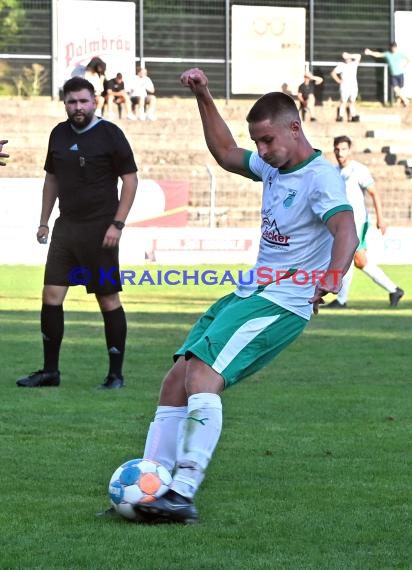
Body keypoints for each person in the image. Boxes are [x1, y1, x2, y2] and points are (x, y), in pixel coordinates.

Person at [125, 68, 358, 524]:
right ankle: (151, 486)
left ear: (295, 127)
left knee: (203, 379)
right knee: (176, 380)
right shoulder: (274, 166)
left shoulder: (321, 178)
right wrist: (203, 94)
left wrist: (333, 275)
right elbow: (228, 152)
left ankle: (183, 492)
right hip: (250, 291)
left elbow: (344, 227)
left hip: (281, 302)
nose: (263, 151)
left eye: (268, 140)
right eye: (260, 142)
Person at [16, 77, 138, 389]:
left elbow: (131, 181)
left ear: (94, 101)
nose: (78, 107)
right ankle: (50, 372)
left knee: (107, 299)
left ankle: (115, 375)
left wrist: (117, 224)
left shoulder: (111, 134)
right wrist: (44, 221)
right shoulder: (58, 134)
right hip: (65, 228)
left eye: (83, 101)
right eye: (72, 102)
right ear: (65, 103)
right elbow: (51, 180)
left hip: (101, 231)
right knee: (51, 296)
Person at [323, 135, 404, 309]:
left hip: (357, 221)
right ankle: (394, 290)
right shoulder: (334, 171)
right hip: (343, 222)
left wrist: (381, 219)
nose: (340, 152)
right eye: (337, 149)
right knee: (359, 261)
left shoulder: (358, 170)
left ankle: (341, 300)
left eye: (343, 149)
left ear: (350, 150)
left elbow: (374, 193)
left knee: (347, 256)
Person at [364, 42, 409, 107]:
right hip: (393, 75)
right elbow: (378, 55)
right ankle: (405, 100)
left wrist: (405, 65)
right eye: (392, 47)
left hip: (400, 74)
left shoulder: (400, 54)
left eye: (394, 47)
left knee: (399, 90)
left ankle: (399, 102)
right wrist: (370, 52)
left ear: (396, 47)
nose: (394, 49)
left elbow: (408, 59)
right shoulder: (387, 54)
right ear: (390, 48)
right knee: (396, 89)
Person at [331, 52, 361, 122]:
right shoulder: (341, 65)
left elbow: (359, 56)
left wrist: (349, 55)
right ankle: (340, 116)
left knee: (352, 101)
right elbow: (333, 73)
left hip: (353, 86)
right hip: (344, 87)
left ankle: (353, 116)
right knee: (343, 101)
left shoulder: (354, 64)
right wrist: (338, 80)